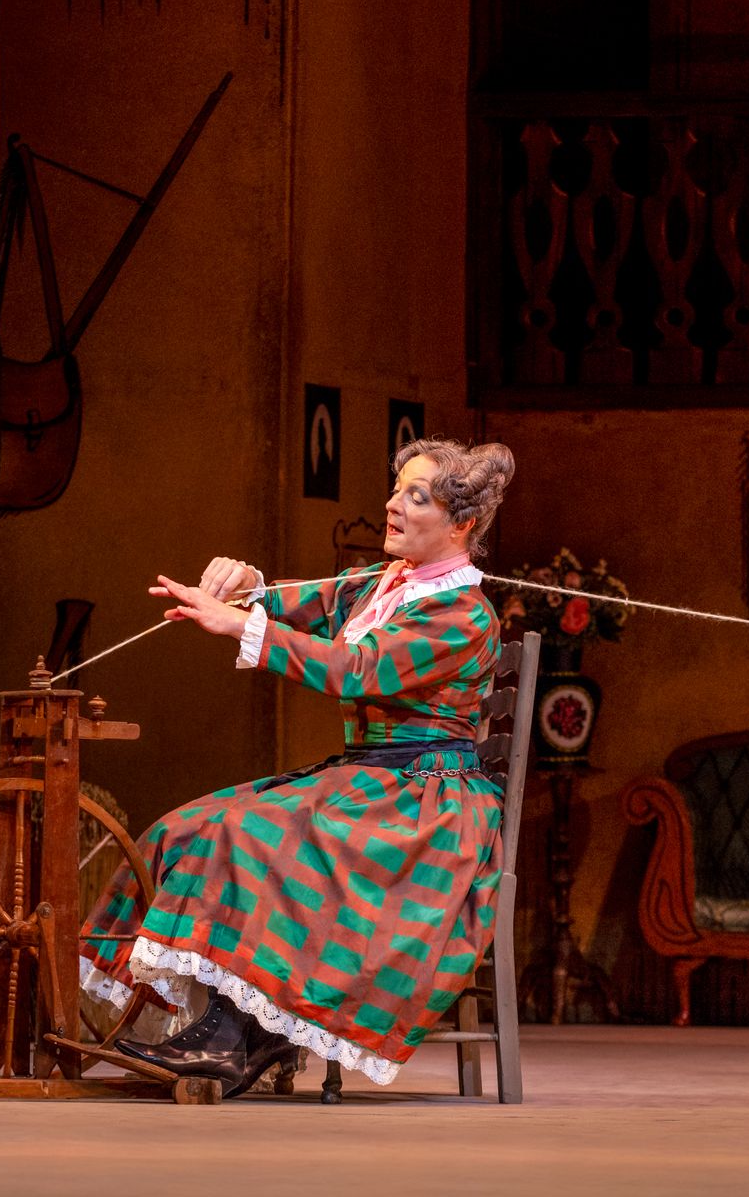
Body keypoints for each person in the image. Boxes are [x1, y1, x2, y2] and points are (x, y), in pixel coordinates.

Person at [78, 438, 517, 1096]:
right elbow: (311, 602)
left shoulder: (461, 615)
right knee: (191, 826)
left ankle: (241, 1039)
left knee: (249, 833)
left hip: (426, 811)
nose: (393, 506)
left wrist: (236, 627)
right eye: (397, 489)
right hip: (373, 786)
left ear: (462, 524)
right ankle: (237, 1025)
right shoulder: (386, 585)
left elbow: (356, 670)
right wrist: (249, 587)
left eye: (415, 497)